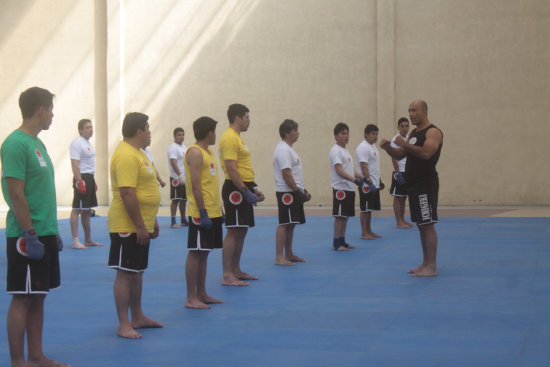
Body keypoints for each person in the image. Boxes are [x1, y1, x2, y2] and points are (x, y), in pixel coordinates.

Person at [1, 87, 70, 366]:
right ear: (40, 109)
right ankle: (18, 361)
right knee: (22, 298)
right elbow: (16, 193)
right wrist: (30, 233)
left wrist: (52, 232)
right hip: (26, 235)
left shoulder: (37, 144)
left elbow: (42, 193)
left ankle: (37, 355)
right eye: (51, 109)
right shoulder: (16, 144)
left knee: (39, 296)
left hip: (44, 231)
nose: (53, 115)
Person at [108, 112, 162, 338]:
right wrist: (140, 225)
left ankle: (138, 316)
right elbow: (128, 193)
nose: (150, 133)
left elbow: (145, 189)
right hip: (126, 225)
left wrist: (152, 220)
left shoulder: (140, 154)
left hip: (142, 223)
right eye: (148, 128)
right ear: (139, 131)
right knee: (126, 274)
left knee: (137, 272)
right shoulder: (126, 156)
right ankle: (124, 324)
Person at [380, 100, 443, 277]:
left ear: (424, 111)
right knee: (421, 225)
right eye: (409, 110)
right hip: (413, 183)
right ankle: (425, 262)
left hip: (425, 183)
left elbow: (427, 153)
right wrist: (388, 148)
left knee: (427, 224)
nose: (411, 114)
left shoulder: (433, 132)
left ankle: (432, 266)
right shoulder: (414, 133)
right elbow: (401, 154)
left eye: (414, 110)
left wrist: (404, 143)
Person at [219, 103, 265, 286]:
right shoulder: (229, 138)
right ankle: (227, 274)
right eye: (246, 117)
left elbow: (243, 168)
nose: (249, 121)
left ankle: (236, 269)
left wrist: (252, 188)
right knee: (233, 230)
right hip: (235, 189)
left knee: (242, 230)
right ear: (237, 118)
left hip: (243, 186)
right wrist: (244, 191)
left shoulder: (238, 138)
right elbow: (231, 168)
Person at [184, 116, 224, 309]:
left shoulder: (208, 152)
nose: (215, 135)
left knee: (205, 252)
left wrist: (219, 209)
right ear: (209, 133)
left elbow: (211, 184)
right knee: (196, 252)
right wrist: (202, 211)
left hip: (213, 210)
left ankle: (201, 293)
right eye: (215, 132)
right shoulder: (195, 153)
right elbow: (196, 185)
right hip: (201, 212)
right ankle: (191, 297)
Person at [273, 119, 311, 266]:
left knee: (291, 223)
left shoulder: (289, 149)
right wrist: (297, 191)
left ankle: (288, 253)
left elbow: (293, 174)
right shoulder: (283, 149)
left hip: (293, 190)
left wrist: (302, 190)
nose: (297, 132)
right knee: (284, 223)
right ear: (287, 133)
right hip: (287, 193)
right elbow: (286, 174)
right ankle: (279, 256)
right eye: (295, 130)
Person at [329, 122, 364, 251]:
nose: (346, 136)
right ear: (336, 136)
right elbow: (339, 170)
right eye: (342, 133)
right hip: (341, 189)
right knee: (339, 217)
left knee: (345, 217)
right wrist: (354, 180)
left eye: (347, 133)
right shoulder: (335, 151)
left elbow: (349, 170)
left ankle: (342, 241)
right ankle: (335, 243)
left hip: (349, 187)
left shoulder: (345, 151)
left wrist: (362, 178)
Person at [69, 118, 103, 249]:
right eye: (87, 127)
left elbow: (88, 163)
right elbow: (75, 164)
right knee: (77, 209)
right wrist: (80, 181)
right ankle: (75, 240)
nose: (91, 129)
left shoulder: (87, 143)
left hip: (89, 177)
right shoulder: (76, 143)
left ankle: (88, 239)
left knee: (87, 210)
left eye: (91, 127)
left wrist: (92, 181)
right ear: (81, 130)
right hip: (81, 177)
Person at [355, 124, 383, 240]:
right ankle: (364, 233)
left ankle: (369, 230)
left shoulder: (373, 147)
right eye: (373, 134)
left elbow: (374, 166)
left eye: (376, 134)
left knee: (369, 208)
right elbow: (364, 166)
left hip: (374, 182)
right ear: (366, 134)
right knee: (365, 209)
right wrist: (370, 182)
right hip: (366, 184)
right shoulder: (363, 147)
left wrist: (378, 181)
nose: (375, 136)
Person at [390, 117, 413, 228]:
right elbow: (394, 157)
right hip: (399, 171)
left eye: (406, 126)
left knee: (404, 197)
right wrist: (397, 172)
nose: (404, 128)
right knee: (398, 197)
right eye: (402, 126)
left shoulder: (409, 139)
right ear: (398, 127)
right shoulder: (396, 139)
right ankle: (398, 221)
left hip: (408, 170)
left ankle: (403, 219)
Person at [167, 127, 187, 228]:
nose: (181, 137)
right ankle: (173, 222)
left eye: (182, 135)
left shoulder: (184, 147)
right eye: (179, 135)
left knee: (183, 200)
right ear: (174, 136)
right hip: (176, 178)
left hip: (185, 178)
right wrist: (179, 175)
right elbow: (173, 162)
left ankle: (183, 220)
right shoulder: (172, 147)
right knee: (175, 199)